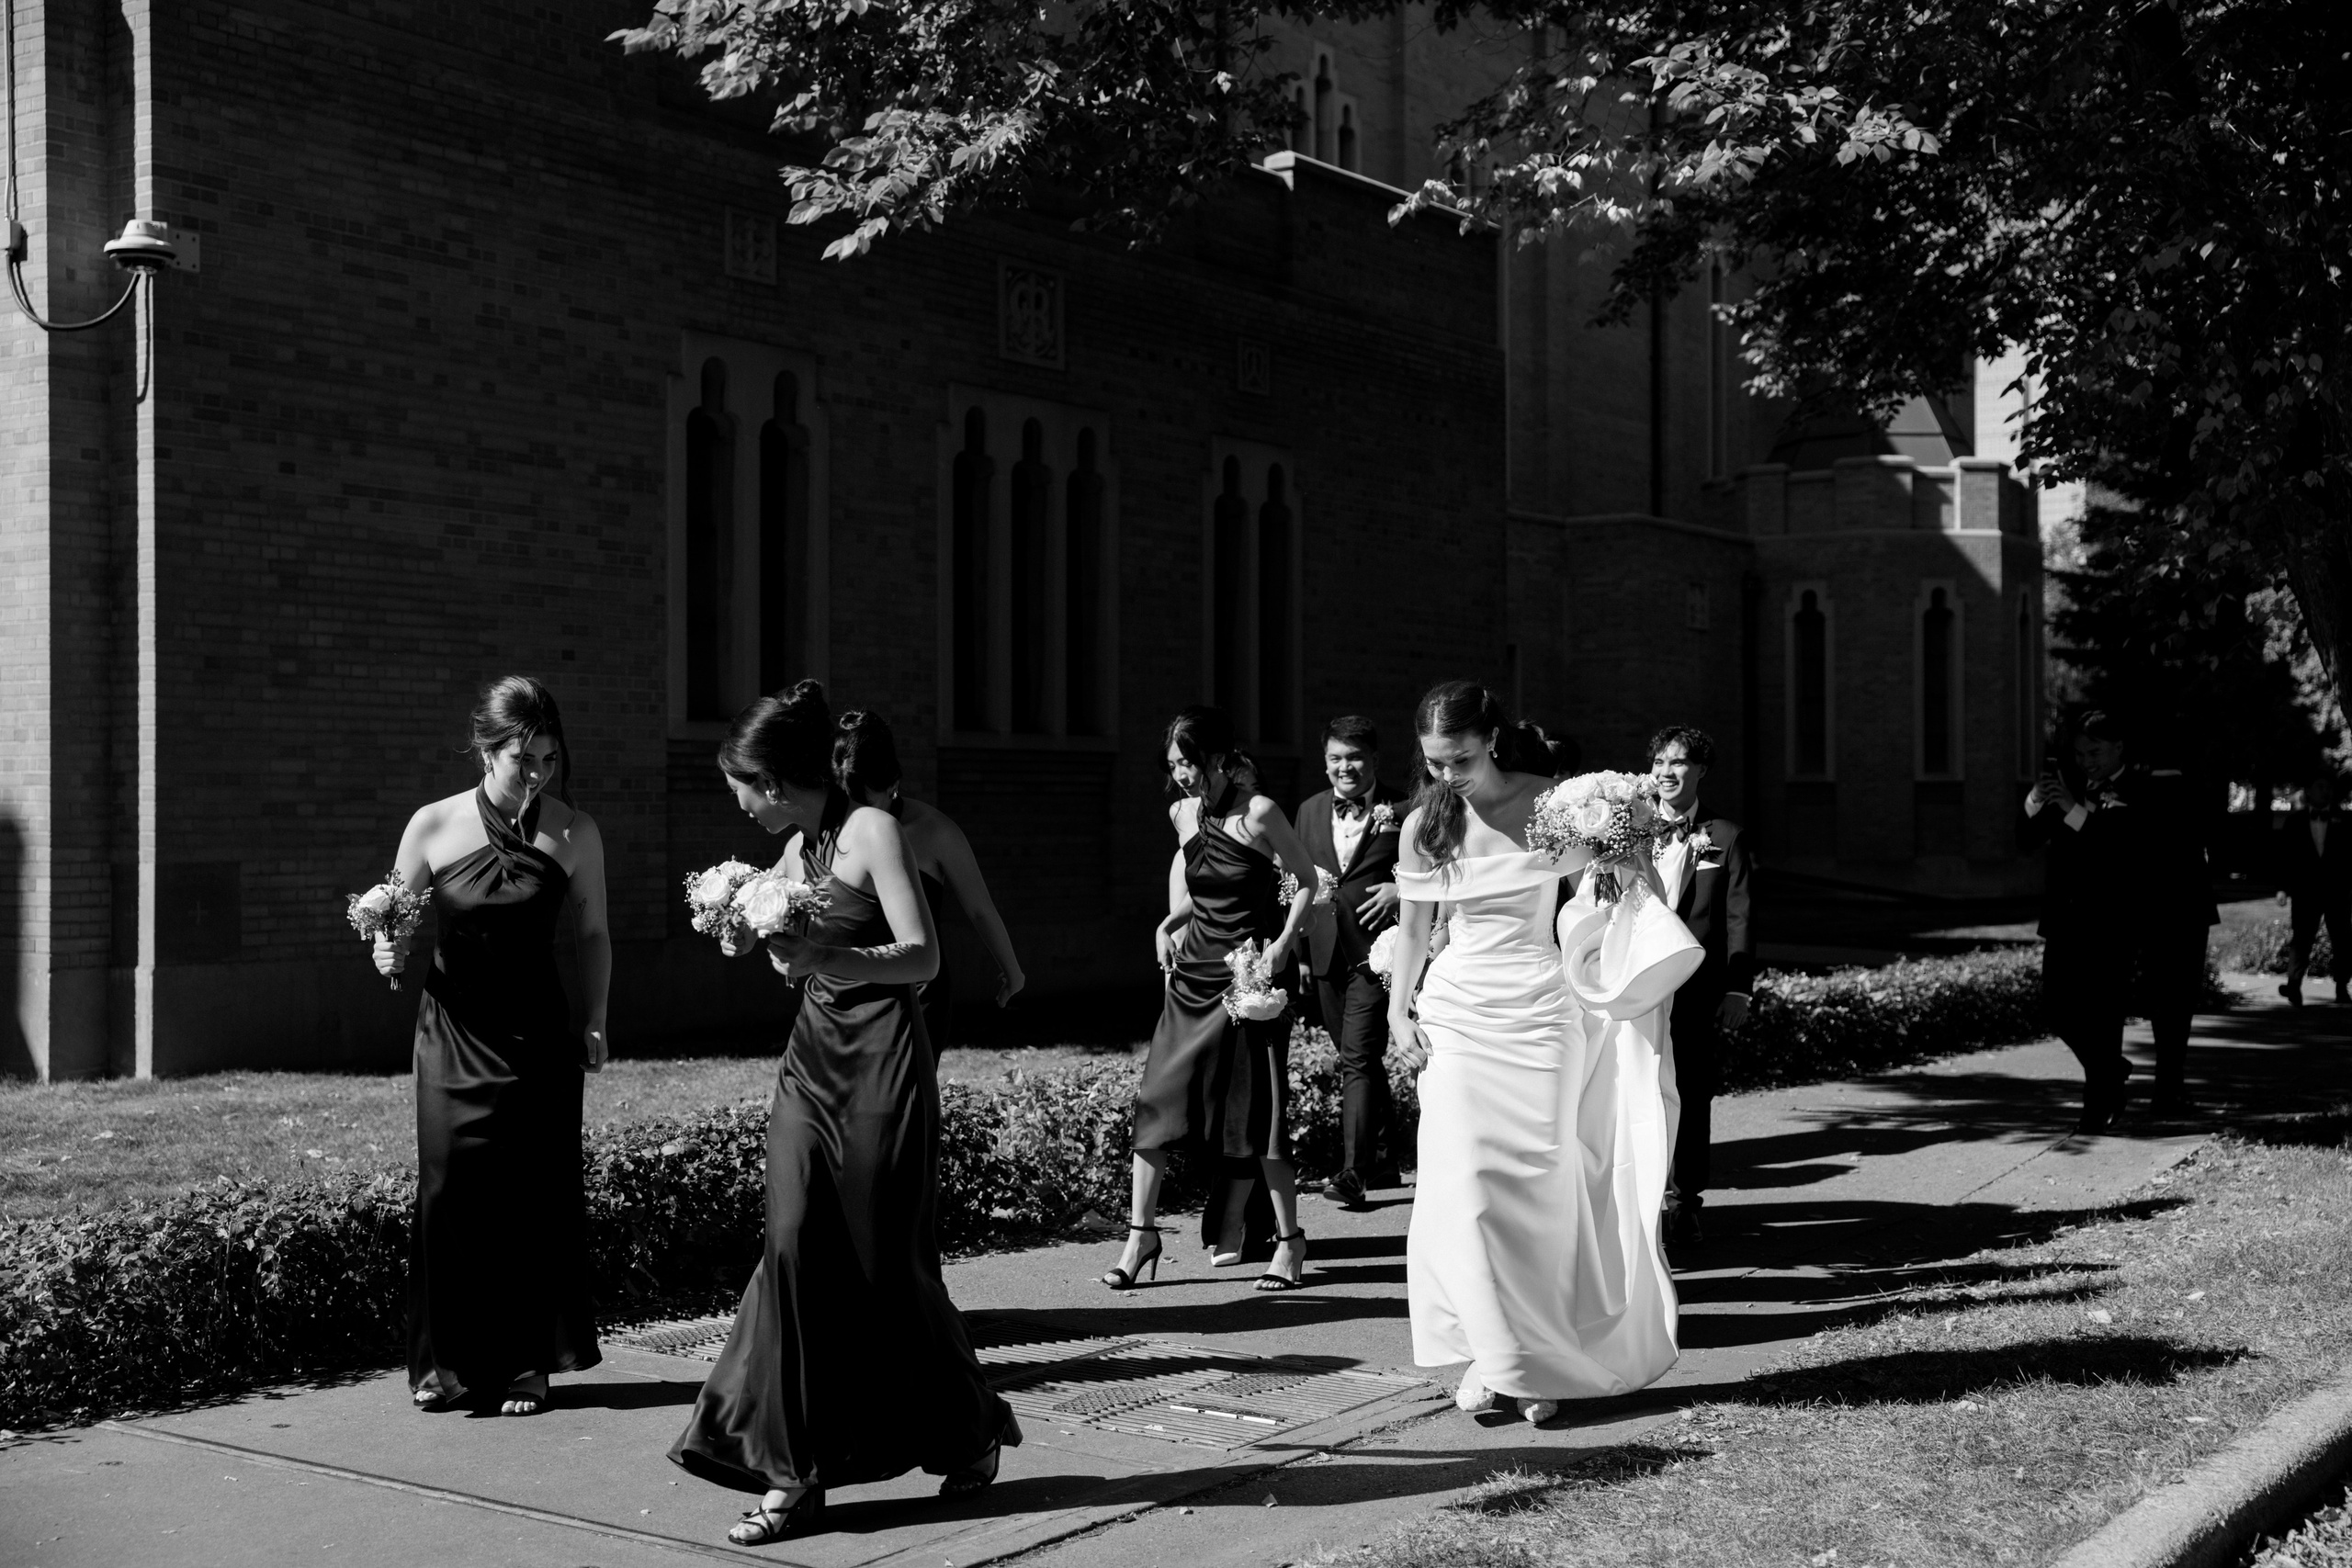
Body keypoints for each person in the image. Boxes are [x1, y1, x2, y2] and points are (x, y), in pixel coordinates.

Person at [670, 682, 1018, 1546]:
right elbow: (790, 949)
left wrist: (824, 951)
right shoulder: (799, 844)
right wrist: (743, 923)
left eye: (742, 789)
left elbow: (924, 955)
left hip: (880, 1067)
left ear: (778, 779)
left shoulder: (871, 830)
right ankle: (790, 1472)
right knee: (789, 1247)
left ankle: (968, 1428)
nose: (741, 808)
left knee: (884, 1261)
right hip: (811, 1065)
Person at [1386, 682, 1698, 1424]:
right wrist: (1400, 1011)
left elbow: (1625, 884)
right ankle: (1496, 1356)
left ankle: (1529, 1360)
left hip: (1541, 1015)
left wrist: (1631, 839)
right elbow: (1410, 931)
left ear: (1490, 739)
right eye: (1433, 762)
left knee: (1536, 1195)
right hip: (1458, 1016)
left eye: (1458, 758)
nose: (1446, 775)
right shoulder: (1424, 828)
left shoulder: (1552, 807)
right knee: (1467, 1196)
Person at [379, 675, 608, 1417]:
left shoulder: (574, 831)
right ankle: (442, 1358)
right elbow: (393, 910)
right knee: (447, 1186)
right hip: (451, 1033)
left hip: (537, 1034)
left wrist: (597, 1017)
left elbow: (595, 932)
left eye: (549, 758)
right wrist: (386, 947)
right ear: (486, 750)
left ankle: (526, 1362)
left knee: (532, 1193)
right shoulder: (433, 825)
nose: (538, 773)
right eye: (524, 759)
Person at [1104, 706, 1319, 1293]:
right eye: (1172, 764)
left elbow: (1307, 882)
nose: (1180, 775)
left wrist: (1281, 946)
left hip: (1248, 978)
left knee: (1259, 1112)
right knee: (1156, 1099)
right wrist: (1165, 924)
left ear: (1220, 758)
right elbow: (1201, 894)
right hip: (1191, 978)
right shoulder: (1181, 814)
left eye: (1189, 762)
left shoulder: (1260, 812)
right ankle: (1140, 1235)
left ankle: (1290, 1242)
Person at [832, 709, 1026, 1050]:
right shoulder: (832, 827)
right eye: (848, 802)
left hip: (915, 996)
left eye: (867, 802)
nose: (857, 816)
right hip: (845, 992)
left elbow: (980, 909)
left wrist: (1012, 971)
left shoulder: (936, 832)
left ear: (893, 785)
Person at [1647, 725, 1755, 1247]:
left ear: (1701, 771)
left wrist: (1738, 989)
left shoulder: (1725, 836)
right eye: (1659, 762)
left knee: (1690, 1091)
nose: (1666, 771)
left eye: (1679, 762)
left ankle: (1685, 1199)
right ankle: (1638, 1193)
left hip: (1695, 987)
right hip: (1638, 984)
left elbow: (1740, 918)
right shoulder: (1628, 828)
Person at [1295, 716, 1406, 1209]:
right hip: (1323, 952)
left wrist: (1401, 889)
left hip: (1378, 955)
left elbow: (1444, 863)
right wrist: (1298, 952)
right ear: (1325, 763)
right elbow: (1295, 883)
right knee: (1356, 1057)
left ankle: (1354, 1172)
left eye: (1355, 757)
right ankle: (1385, 1157)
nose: (1346, 767)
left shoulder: (1406, 807)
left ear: (1374, 761)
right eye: (1336, 758)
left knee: (1357, 1059)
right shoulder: (1308, 811)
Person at [2019, 710, 2139, 1132]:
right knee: (2057, 1009)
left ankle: (2097, 1109)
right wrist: (2037, 799)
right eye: (2079, 753)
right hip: (2064, 919)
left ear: (2118, 746)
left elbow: (2114, 848)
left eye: (2095, 751)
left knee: (2103, 1018)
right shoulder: (2070, 788)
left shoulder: (2136, 789)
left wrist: (2071, 808)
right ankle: (2111, 1069)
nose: (2086, 760)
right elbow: (2025, 839)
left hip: (2109, 923)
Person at [2276, 771, 2351, 1009]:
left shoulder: (2345, 821)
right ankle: (2294, 985)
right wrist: (2282, 888)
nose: (2324, 791)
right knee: (2302, 939)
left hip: (2337, 891)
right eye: (2319, 786)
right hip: (2305, 891)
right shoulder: (2295, 821)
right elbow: (2284, 857)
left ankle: (2341, 986)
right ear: (2309, 791)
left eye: (2327, 787)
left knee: (2341, 940)